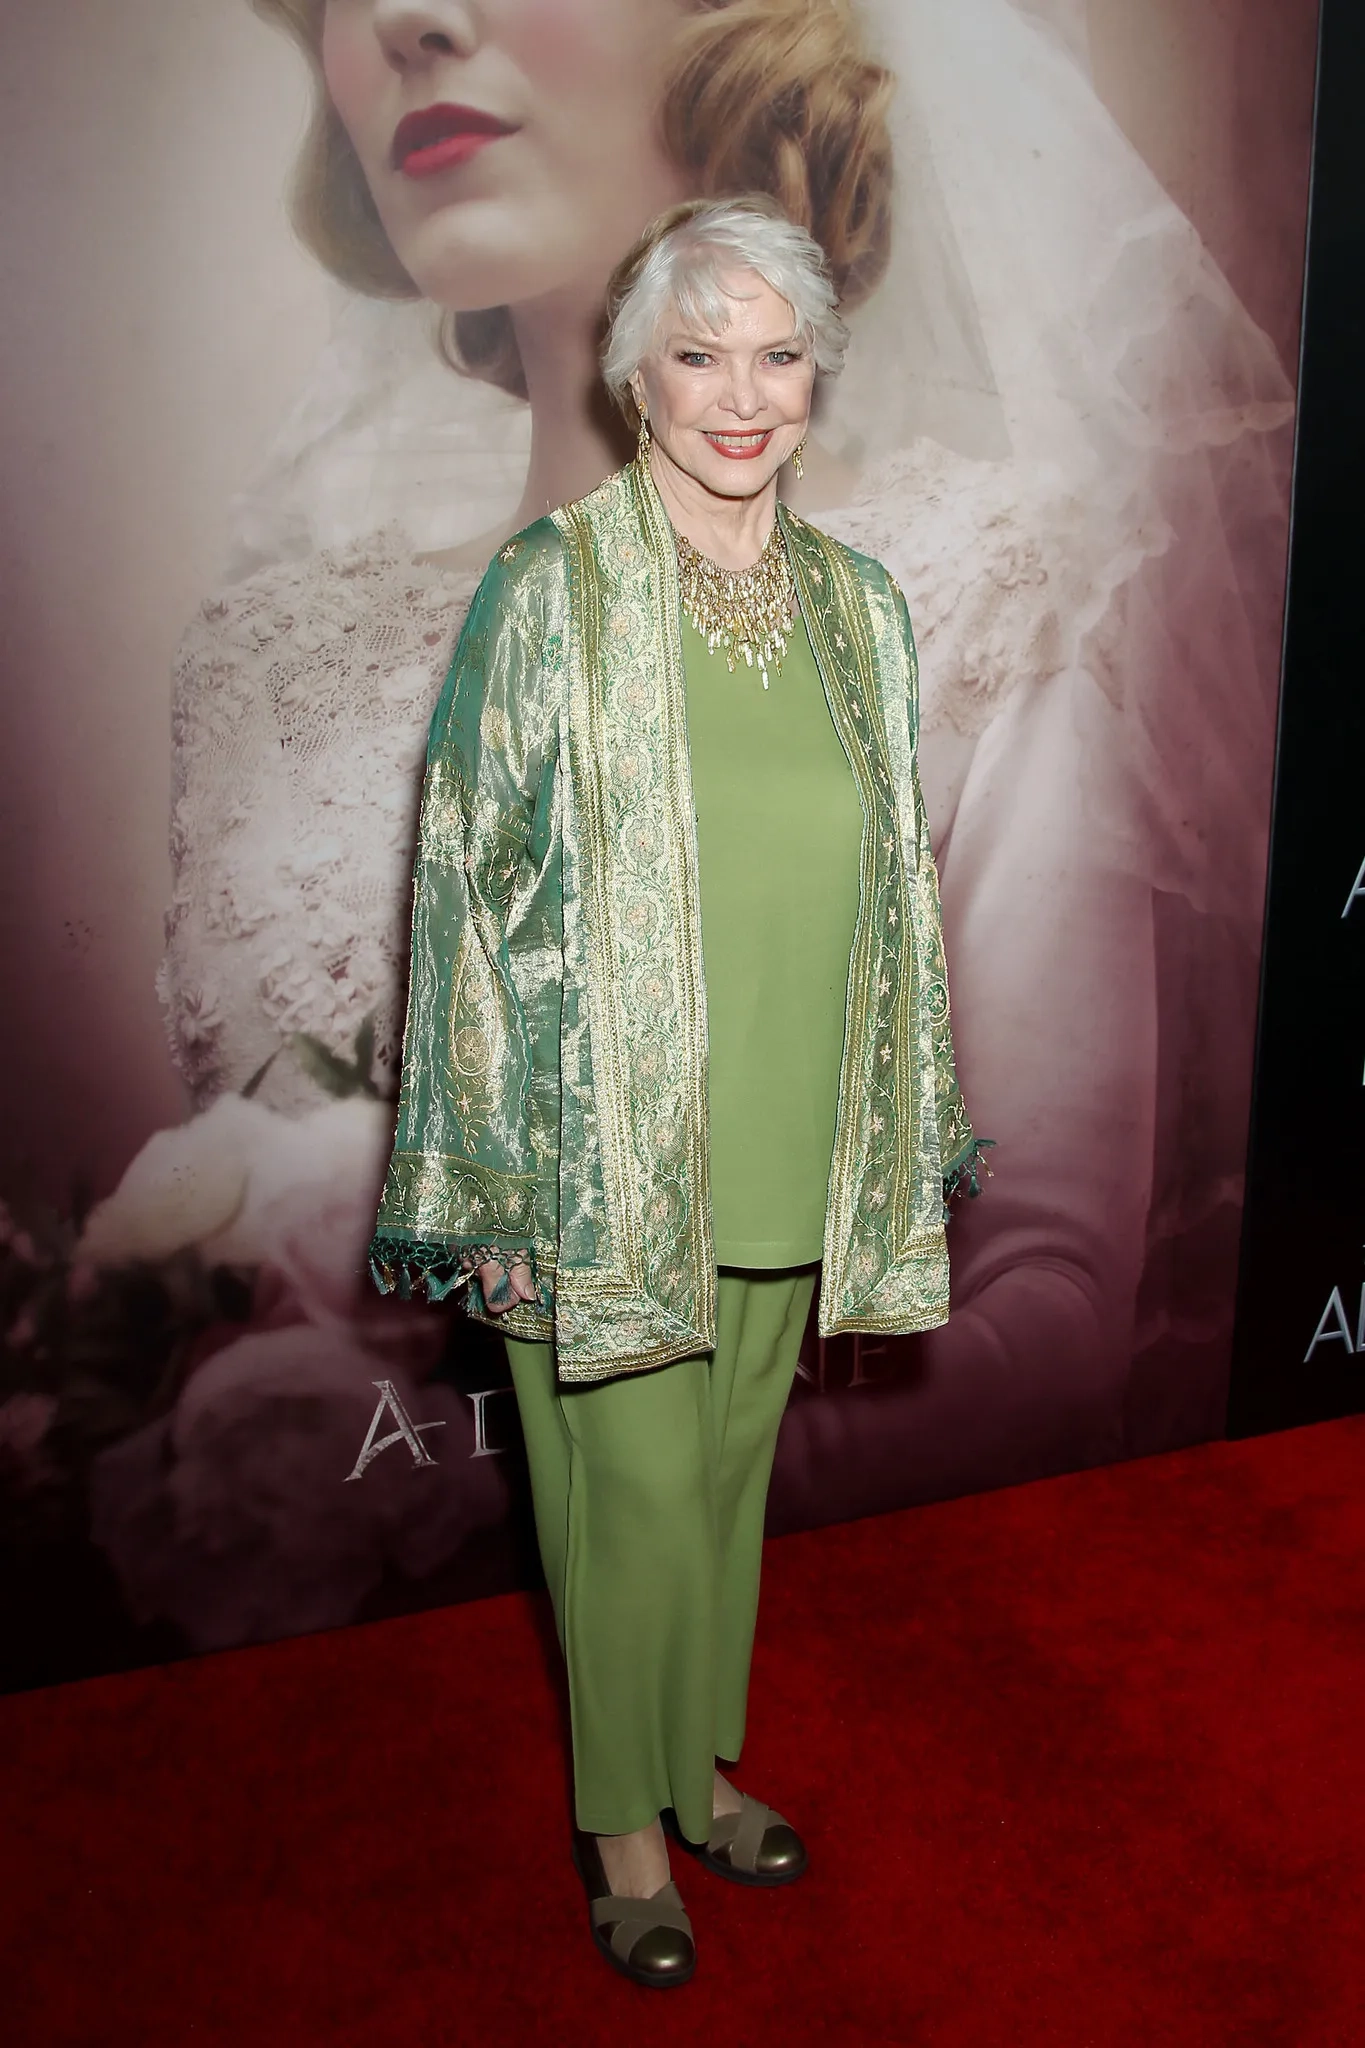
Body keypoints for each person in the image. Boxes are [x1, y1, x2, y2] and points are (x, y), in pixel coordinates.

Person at [164, 0, 1294, 1545]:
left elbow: (1053, 1312)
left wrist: (501, 1506)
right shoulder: (259, 674)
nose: (410, 19)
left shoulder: (979, 590)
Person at [369, 194, 981, 1987]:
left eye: (777, 355)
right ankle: (625, 1831)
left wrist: (899, 1126)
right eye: (700, 355)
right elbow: (465, 887)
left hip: (798, 1128)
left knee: (722, 1478)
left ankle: (700, 1767)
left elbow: (904, 892)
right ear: (635, 376)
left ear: (817, 376)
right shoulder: (550, 588)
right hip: (605, 1156)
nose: (741, 394)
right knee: (627, 1494)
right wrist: (488, 1179)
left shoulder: (863, 609)